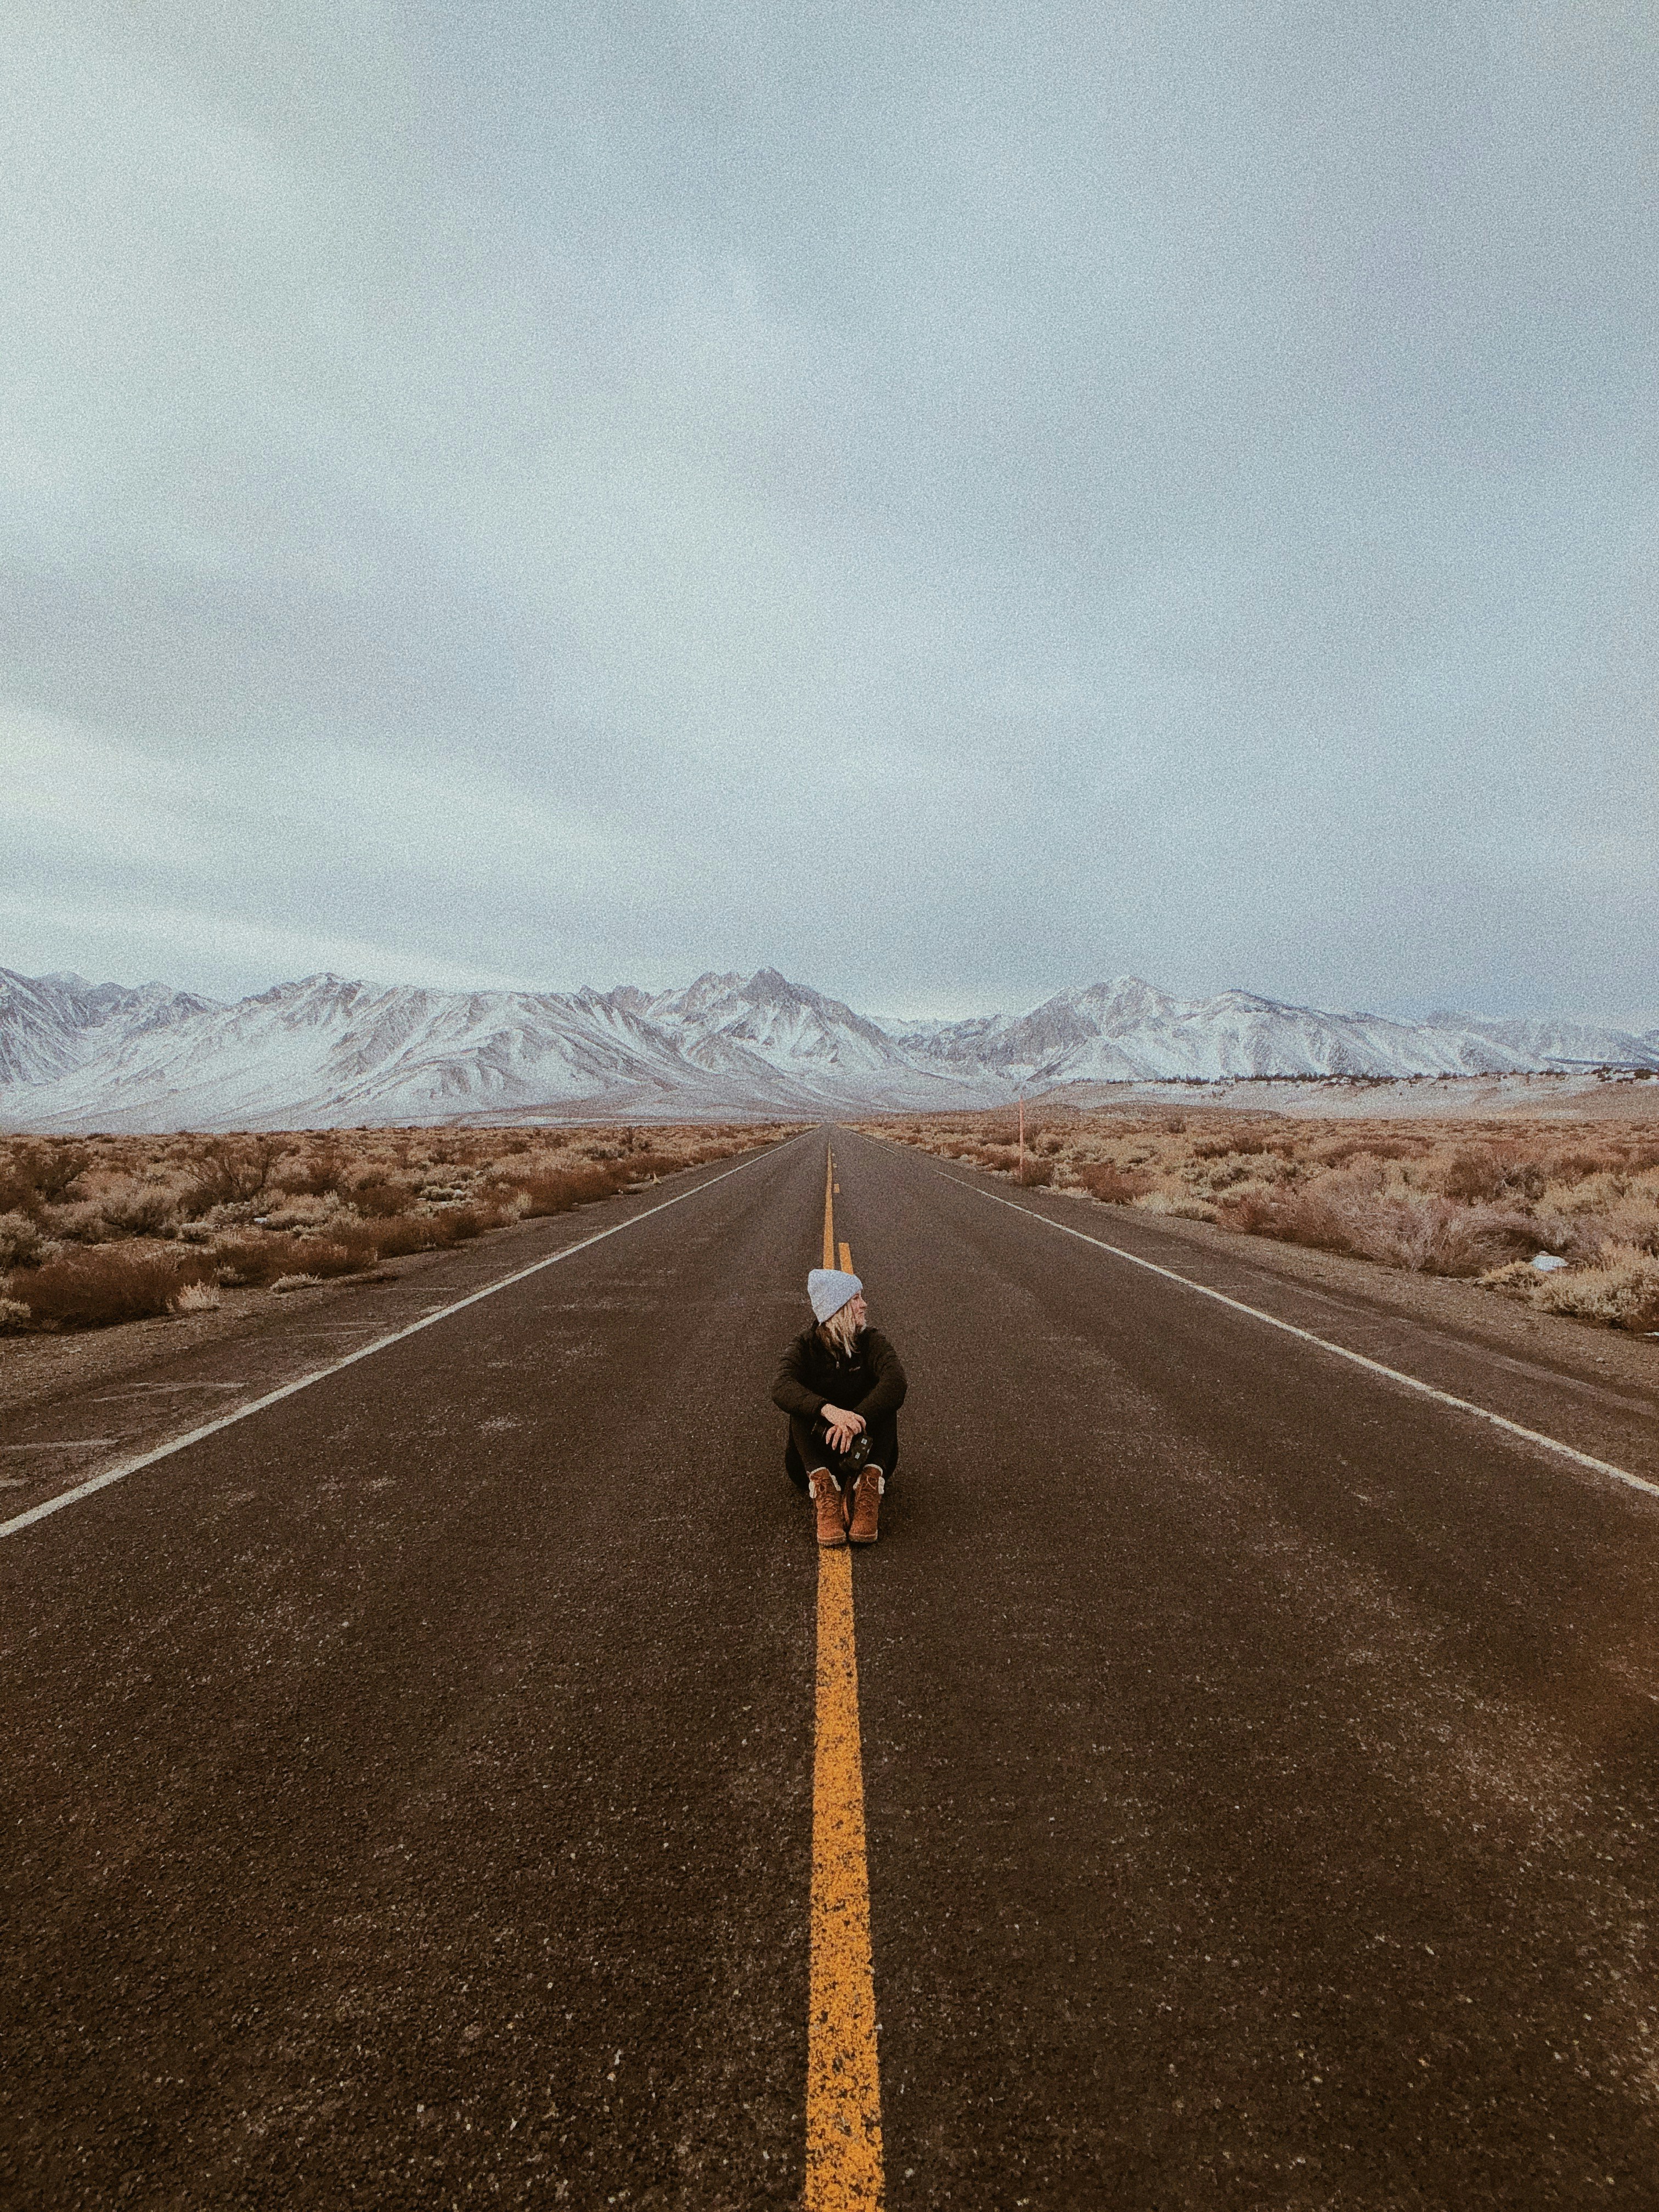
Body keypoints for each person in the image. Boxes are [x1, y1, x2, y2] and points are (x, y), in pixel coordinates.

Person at [772, 1267, 907, 1548]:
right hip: (814, 1456)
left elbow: (897, 1381)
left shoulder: (870, 1340)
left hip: (865, 1451)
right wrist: (829, 1411)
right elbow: (780, 1385)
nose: (864, 1304)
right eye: (856, 1298)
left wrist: (857, 1418)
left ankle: (869, 1484)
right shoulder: (806, 1345)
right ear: (838, 1308)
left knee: (886, 1398)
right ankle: (823, 1486)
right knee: (800, 1402)